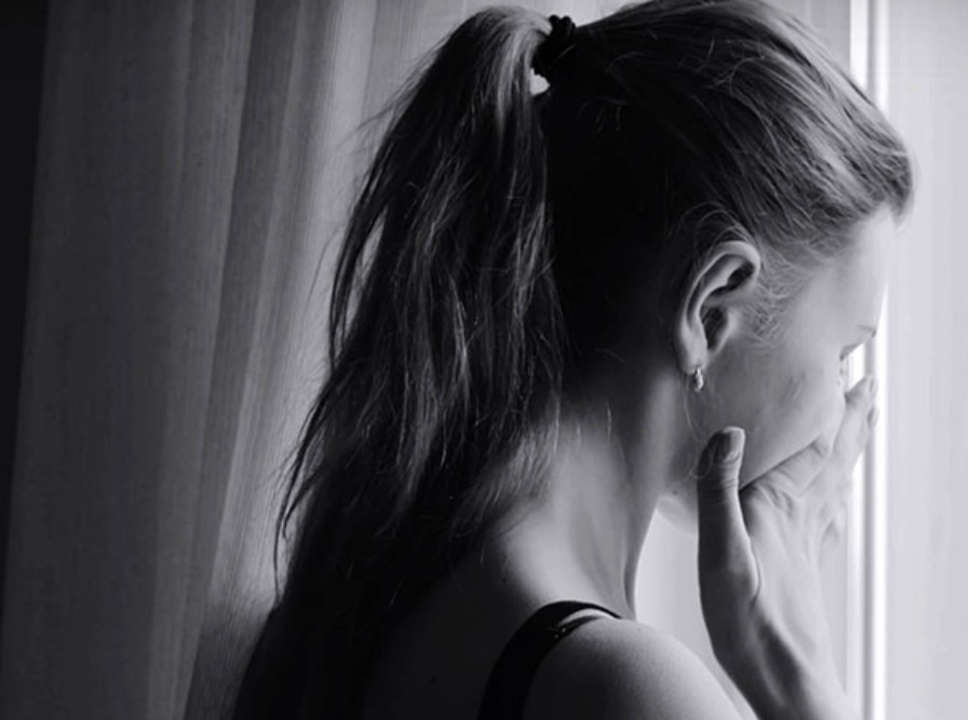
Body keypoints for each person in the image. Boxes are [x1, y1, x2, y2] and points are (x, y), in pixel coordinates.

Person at [230, 0, 912, 717]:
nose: (842, 417)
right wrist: (800, 676)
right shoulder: (628, 690)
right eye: (843, 354)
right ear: (711, 309)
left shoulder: (370, 595)